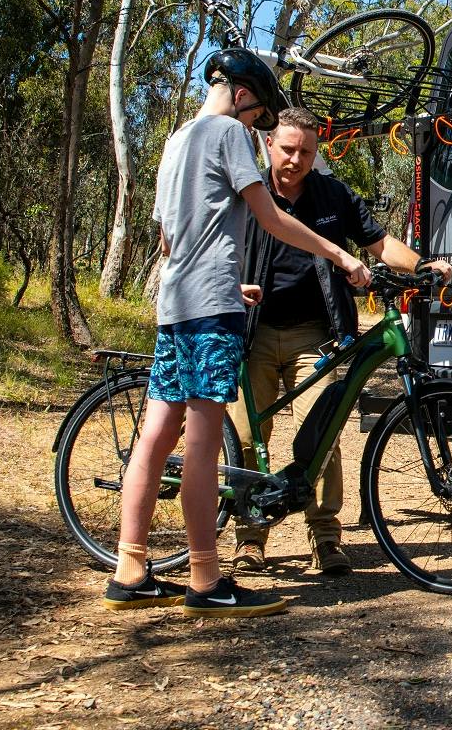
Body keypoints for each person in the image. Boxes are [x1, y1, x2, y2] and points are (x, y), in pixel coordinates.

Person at [105, 50, 370, 618]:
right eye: (259, 119)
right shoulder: (227, 132)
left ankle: (131, 567)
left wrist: (230, 285)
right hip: (210, 313)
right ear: (244, 95)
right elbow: (271, 218)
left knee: (157, 434)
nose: (256, 129)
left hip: (176, 306)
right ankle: (205, 578)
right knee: (203, 441)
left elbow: (170, 243)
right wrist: (338, 255)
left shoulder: (175, 142)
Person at [229, 107, 452, 576]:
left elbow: (379, 243)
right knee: (249, 439)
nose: (295, 159)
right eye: (287, 149)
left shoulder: (332, 194)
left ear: (316, 153)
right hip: (254, 332)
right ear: (269, 145)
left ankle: (326, 537)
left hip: (317, 333)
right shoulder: (247, 192)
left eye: (305, 152)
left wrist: (421, 265)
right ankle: (250, 538)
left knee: (324, 433)